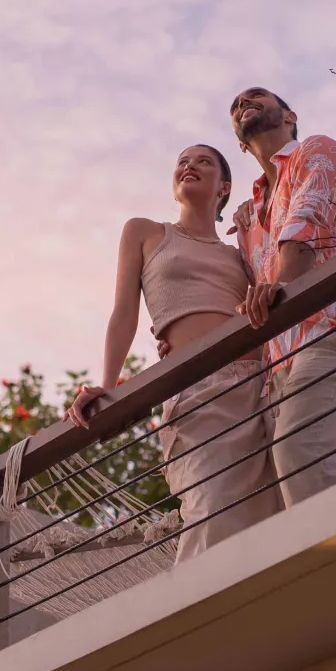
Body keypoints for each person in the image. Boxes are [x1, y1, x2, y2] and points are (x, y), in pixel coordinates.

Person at [65, 145, 282, 563]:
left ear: (225, 187)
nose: (189, 165)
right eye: (182, 161)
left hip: (260, 386)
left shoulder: (240, 252)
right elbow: (124, 313)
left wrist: (253, 222)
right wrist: (109, 388)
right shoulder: (146, 232)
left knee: (266, 513)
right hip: (197, 389)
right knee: (209, 506)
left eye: (203, 161)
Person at [226, 86, 336, 507]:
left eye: (256, 97)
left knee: (298, 451)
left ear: (290, 116)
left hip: (330, 333)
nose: (244, 104)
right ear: (242, 147)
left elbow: (304, 224)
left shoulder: (318, 150)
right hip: (278, 367)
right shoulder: (253, 211)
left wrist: (282, 284)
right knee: (295, 487)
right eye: (236, 106)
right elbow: (244, 284)